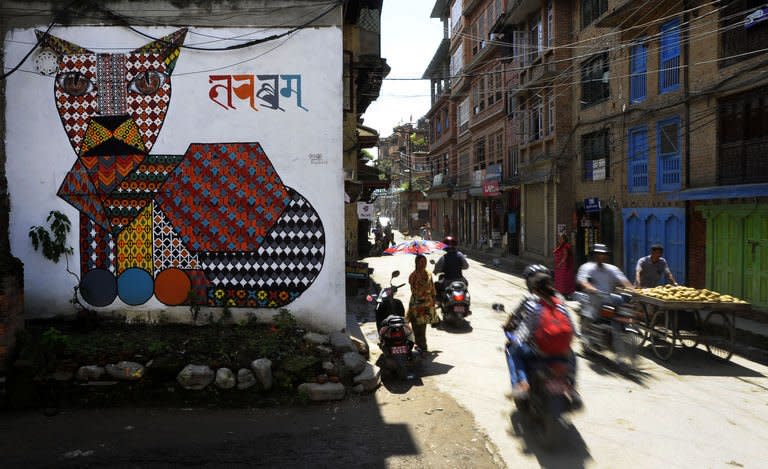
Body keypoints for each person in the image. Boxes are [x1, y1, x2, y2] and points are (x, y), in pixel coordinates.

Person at [503, 267, 578, 402]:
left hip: (540, 350)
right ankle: (571, 386)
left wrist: (514, 340)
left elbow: (524, 330)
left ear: (532, 285)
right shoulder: (560, 301)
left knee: (513, 351)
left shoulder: (532, 303)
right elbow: (572, 327)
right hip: (561, 350)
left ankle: (522, 384)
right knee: (572, 356)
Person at [576, 243, 634, 321]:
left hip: (608, 298)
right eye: (598, 254)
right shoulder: (586, 267)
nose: (601, 256)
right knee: (590, 316)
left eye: (603, 254)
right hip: (592, 299)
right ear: (593, 255)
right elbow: (583, 282)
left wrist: (632, 290)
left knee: (622, 306)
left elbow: (624, 281)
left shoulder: (612, 269)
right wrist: (593, 290)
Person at [406, 254, 437, 354]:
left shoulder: (429, 274)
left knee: (423, 327)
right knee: (416, 327)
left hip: (427, 305)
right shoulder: (413, 276)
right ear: (416, 263)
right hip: (416, 305)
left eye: (425, 261)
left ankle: (423, 347)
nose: (424, 264)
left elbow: (432, 289)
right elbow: (414, 291)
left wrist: (434, 300)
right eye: (421, 262)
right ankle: (417, 346)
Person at [553, 233, 575, 297]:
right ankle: (560, 291)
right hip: (559, 267)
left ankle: (565, 292)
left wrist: (559, 264)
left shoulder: (565, 246)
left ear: (564, 239)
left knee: (564, 280)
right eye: (558, 238)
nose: (559, 239)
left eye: (561, 238)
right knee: (559, 280)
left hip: (563, 267)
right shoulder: (561, 245)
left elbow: (565, 257)